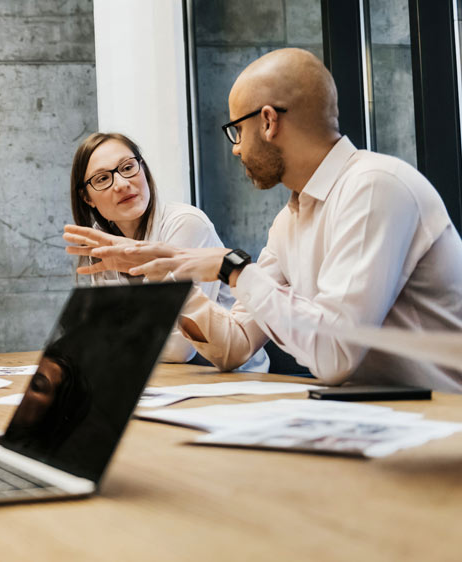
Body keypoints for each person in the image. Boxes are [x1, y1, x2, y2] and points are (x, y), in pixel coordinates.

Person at [65, 48, 462, 392]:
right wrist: (165, 271)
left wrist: (232, 268)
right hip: (375, 417)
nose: (236, 149)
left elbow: (335, 355)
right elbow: (234, 347)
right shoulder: (289, 221)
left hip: (442, 421)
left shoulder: (374, 186)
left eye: (237, 130)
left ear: (268, 121)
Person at [68, 132, 268, 371]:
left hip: (232, 377)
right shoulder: (99, 239)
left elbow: (180, 347)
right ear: (87, 197)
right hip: (159, 377)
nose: (121, 184)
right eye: (102, 179)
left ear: (143, 169)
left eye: (128, 167)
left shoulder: (186, 223)